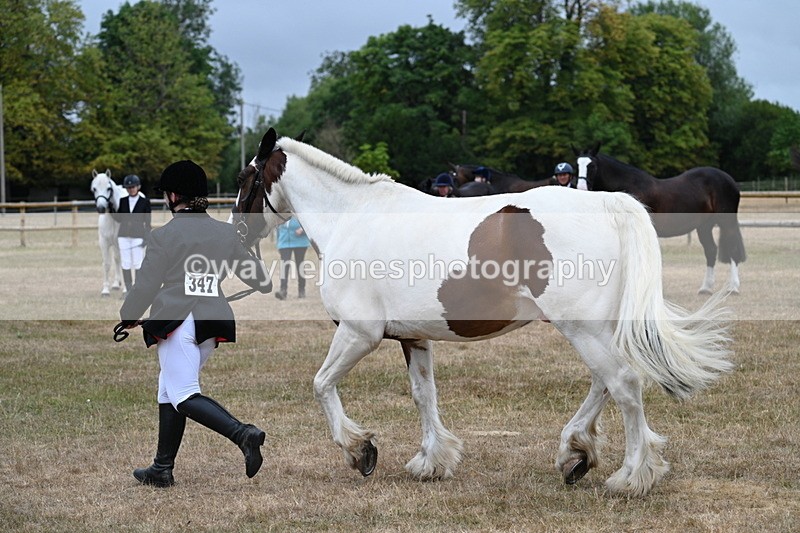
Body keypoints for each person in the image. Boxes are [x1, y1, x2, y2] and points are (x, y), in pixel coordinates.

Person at [118, 160, 273, 488]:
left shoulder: (164, 236)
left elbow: (145, 285)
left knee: (184, 393)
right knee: (168, 390)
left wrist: (128, 315)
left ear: (174, 196)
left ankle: (243, 434)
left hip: (179, 324)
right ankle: (161, 468)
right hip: (210, 326)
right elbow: (259, 279)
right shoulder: (225, 232)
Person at [114, 174, 152, 293]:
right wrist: (110, 210)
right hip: (123, 236)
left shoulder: (145, 202)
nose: (131, 189)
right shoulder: (123, 201)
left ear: (138, 187)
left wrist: (147, 236)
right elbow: (119, 218)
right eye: (128, 188)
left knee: (137, 263)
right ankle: (128, 289)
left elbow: (148, 222)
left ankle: (138, 289)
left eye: (133, 187)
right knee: (125, 263)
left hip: (138, 236)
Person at [274, 217, 311, 300]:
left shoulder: (298, 211)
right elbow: (277, 229)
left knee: (300, 265)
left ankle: (301, 290)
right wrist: (278, 244)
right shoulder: (281, 213)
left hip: (300, 242)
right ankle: (283, 291)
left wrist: (302, 229)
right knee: (284, 266)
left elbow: (309, 224)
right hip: (284, 242)